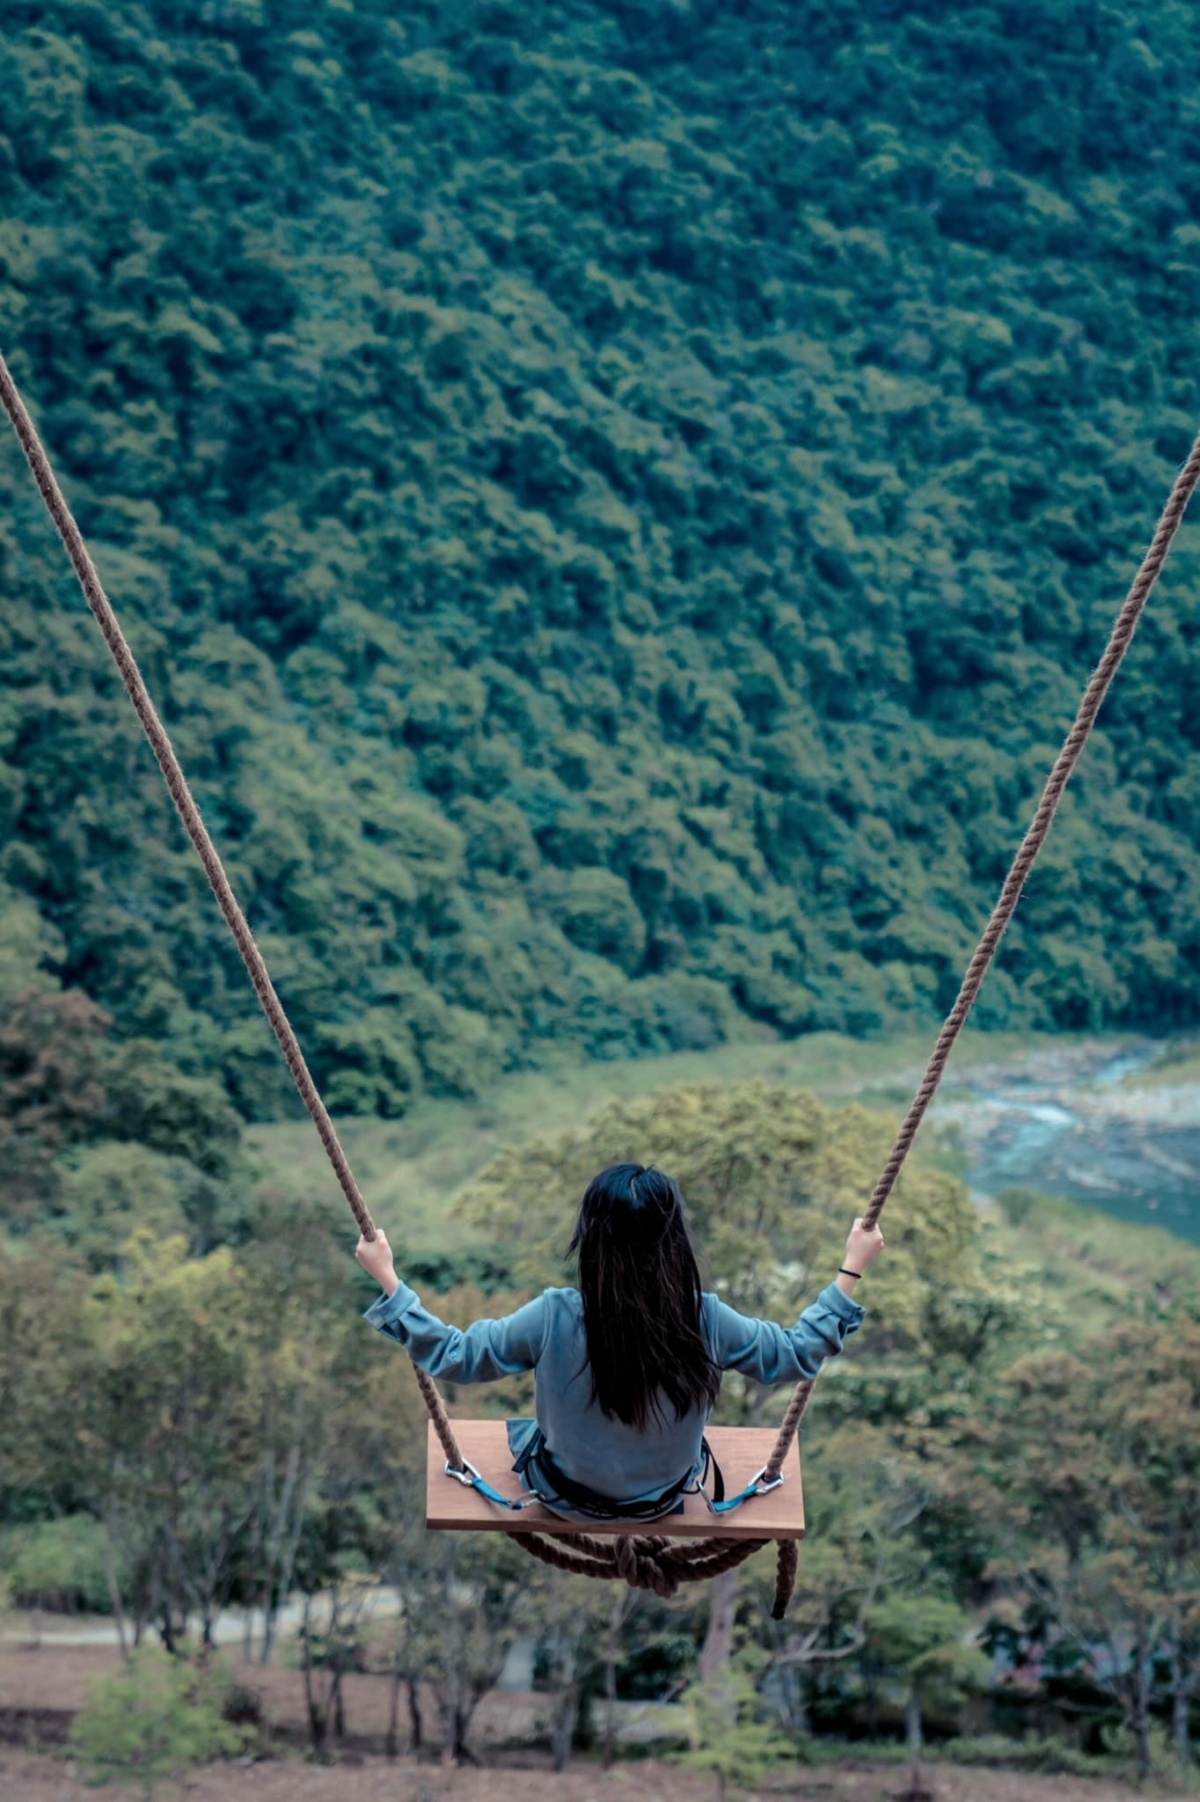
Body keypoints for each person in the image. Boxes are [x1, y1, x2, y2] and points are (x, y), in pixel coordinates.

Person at [357, 1162, 883, 1522]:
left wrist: (390, 1282)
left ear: (590, 1240)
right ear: (675, 1241)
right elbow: (795, 1355)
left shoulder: (552, 1318)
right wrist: (850, 1267)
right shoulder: (707, 1320)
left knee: (525, 1436)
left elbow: (456, 1356)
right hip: (663, 1499)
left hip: (566, 1494)